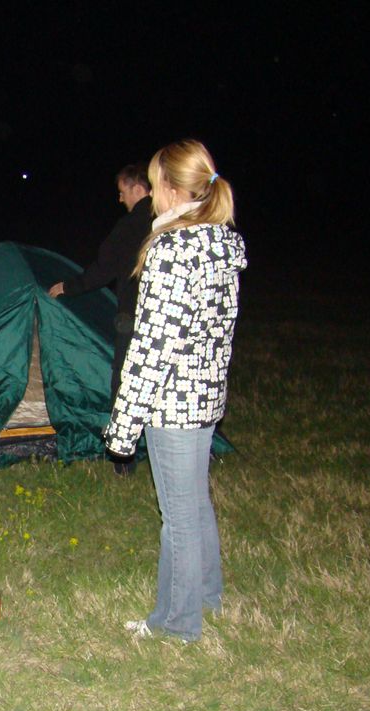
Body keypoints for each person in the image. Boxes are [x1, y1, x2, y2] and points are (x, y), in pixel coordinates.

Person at [104, 140, 246, 642]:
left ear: (167, 186)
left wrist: (123, 426)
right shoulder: (219, 241)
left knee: (179, 518)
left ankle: (176, 623)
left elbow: (151, 347)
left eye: (152, 182)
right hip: (204, 396)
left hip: (173, 402)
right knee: (194, 504)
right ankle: (207, 597)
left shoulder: (172, 248)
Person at [48, 164, 153, 474]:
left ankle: (124, 459)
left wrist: (68, 287)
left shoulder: (132, 225)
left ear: (137, 189)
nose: (120, 199)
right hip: (167, 320)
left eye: (122, 192)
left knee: (126, 384)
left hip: (133, 316)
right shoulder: (169, 221)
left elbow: (104, 268)